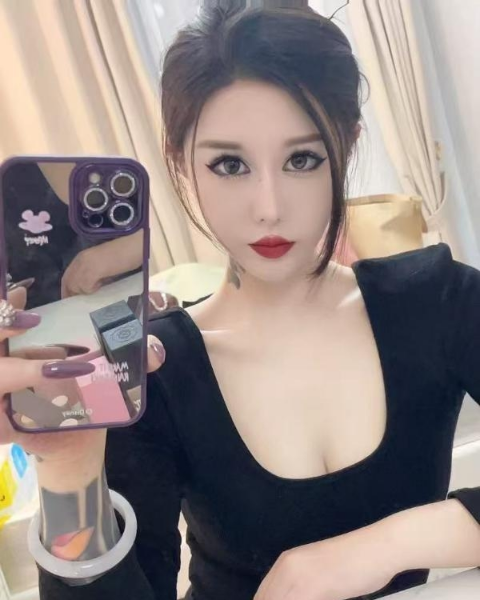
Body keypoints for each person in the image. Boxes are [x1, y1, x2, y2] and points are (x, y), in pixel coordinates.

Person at [1, 4, 480, 600]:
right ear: (181, 163)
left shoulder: (437, 301)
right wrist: (67, 471)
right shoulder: (156, 366)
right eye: (230, 165)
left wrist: (385, 547)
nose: (269, 207)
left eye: (302, 159)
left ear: (346, 146)